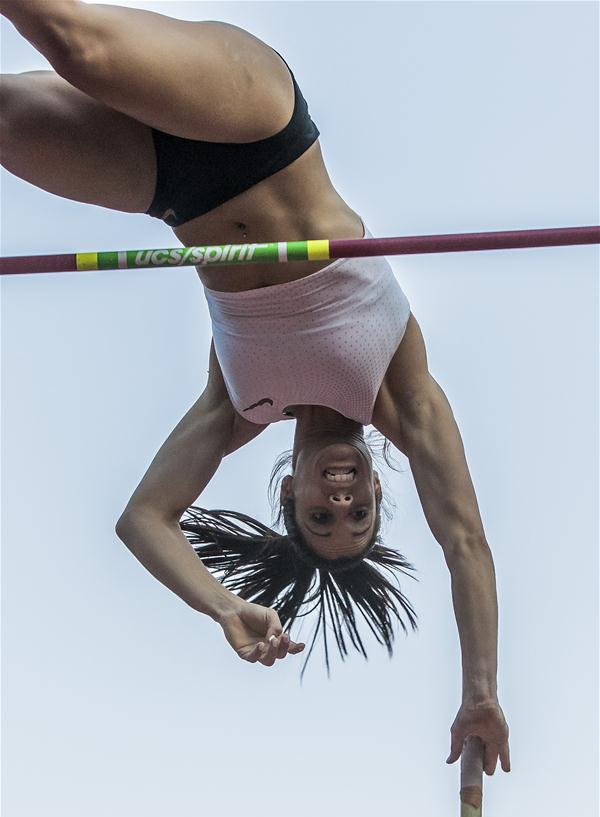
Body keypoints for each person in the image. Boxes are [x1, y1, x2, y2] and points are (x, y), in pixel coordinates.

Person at [1, 2, 510, 772]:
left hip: (171, 189)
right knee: (80, 49)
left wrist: (224, 606)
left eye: (322, 514)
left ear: (289, 495)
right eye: (361, 510)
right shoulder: (399, 393)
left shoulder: (238, 406)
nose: (341, 498)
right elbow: (465, 542)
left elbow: (144, 519)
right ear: (377, 481)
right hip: (257, 131)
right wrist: (481, 691)